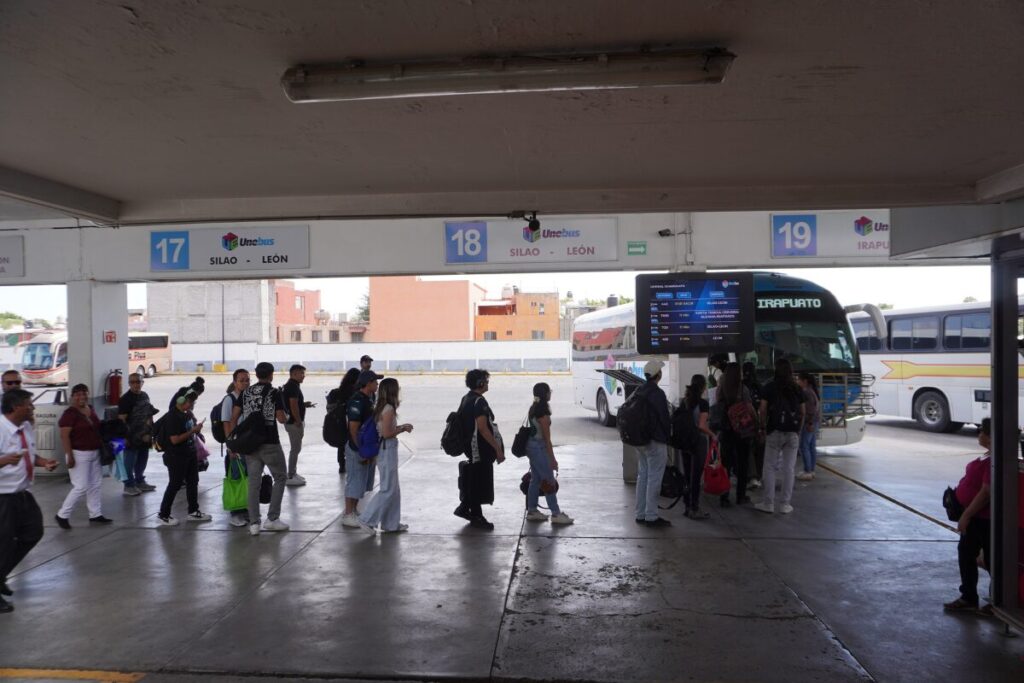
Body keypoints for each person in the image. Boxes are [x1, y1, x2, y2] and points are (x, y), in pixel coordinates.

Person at [0, 389, 58, 613]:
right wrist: (4, 460)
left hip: (23, 493)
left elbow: (28, 454)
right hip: (3, 497)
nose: (32, 407)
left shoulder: (25, 427)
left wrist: (43, 462)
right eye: (28, 404)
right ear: (15, 407)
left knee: (33, 532)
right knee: (4, 543)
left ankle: (1, 574)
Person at [943, 418, 993, 614]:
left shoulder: (995, 461)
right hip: (974, 517)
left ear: (991, 437)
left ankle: (999, 601)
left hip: (983, 518)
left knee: (992, 559)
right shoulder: (988, 456)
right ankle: (969, 596)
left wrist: (967, 515)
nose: (979, 434)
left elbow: (986, 492)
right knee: (966, 554)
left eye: (982, 432)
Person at [236, 362, 289, 536]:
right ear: (271, 375)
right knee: (280, 477)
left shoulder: (246, 393)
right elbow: (281, 418)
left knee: (253, 483)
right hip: (270, 442)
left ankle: (254, 524)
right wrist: (287, 416)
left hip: (250, 443)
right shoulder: (274, 392)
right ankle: (272, 519)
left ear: (256, 375)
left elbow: (235, 415)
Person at [357, 377, 412, 534]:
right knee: (388, 489)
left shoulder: (382, 407)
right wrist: (402, 429)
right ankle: (367, 519)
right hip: (387, 449)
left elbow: (384, 430)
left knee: (393, 488)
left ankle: (391, 523)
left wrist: (400, 427)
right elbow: (387, 433)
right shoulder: (388, 409)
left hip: (386, 449)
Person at [453, 369, 505, 530]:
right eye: (486, 381)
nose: (488, 383)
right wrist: (497, 449)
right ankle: (476, 515)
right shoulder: (479, 402)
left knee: (474, 479)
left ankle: (465, 508)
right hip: (480, 448)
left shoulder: (466, 398)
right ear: (480, 383)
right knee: (480, 481)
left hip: (470, 446)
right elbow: (483, 428)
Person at [55, 384, 112, 528]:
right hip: (78, 454)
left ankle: (95, 514)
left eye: (84, 393)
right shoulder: (69, 414)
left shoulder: (90, 409)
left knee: (95, 484)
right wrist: (69, 456)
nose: (82, 397)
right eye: (78, 394)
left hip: (94, 452)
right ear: (72, 397)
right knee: (80, 486)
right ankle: (62, 515)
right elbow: (64, 436)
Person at [756, 359, 805, 515]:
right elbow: (803, 412)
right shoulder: (797, 388)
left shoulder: (769, 387)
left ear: (775, 370)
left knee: (769, 467)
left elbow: (763, 410)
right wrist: (798, 430)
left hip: (774, 431)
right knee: (789, 469)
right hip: (792, 433)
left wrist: (762, 427)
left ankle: (768, 503)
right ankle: (785, 505)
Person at [157, 391, 212, 525]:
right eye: (190, 402)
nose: (192, 404)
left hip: (189, 453)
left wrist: (196, 429)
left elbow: (190, 431)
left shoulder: (187, 414)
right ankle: (164, 514)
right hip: (176, 455)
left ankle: (193, 511)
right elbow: (175, 440)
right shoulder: (172, 417)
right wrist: (192, 431)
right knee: (175, 484)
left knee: (193, 482)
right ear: (181, 401)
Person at [523, 382, 573, 525]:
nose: (550, 393)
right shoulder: (543, 414)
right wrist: (553, 460)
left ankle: (532, 510)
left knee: (536, 480)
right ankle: (556, 514)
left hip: (531, 446)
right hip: (539, 448)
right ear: (545, 394)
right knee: (549, 480)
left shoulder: (534, 408)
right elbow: (547, 440)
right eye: (549, 391)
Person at [341, 369, 383, 527]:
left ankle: (353, 510)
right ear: (368, 383)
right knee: (354, 481)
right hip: (357, 448)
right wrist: (360, 449)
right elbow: (353, 428)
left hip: (366, 447)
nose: (377, 384)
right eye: (375, 381)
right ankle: (348, 514)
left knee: (361, 482)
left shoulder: (369, 398)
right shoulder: (357, 400)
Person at [634, 360, 672, 528]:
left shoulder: (639, 390)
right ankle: (651, 516)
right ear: (658, 374)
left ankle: (640, 514)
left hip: (640, 441)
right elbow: (664, 418)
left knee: (643, 476)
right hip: (655, 441)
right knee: (654, 479)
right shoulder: (657, 393)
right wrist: (668, 437)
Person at [716, 362, 754, 505]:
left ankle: (724, 497)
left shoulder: (721, 389)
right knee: (743, 463)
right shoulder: (743, 389)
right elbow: (749, 408)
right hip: (741, 430)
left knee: (726, 464)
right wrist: (756, 423)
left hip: (726, 430)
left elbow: (717, 405)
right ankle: (740, 496)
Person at [679, 375, 716, 520]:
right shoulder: (703, 403)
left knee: (687, 475)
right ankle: (694, 508)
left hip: (684, 441)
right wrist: (713, 435)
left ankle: (687, 507)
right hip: (698, 442)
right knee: (695, 478)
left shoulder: (684, 401)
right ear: (703, 387)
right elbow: (701, 425)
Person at [117, 372, 159, 496]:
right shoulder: (125, 399)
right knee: (129, 462)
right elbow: (121, 420)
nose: (136, 384)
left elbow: (149, 414)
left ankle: (140, 481)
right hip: (131, 437)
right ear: (129, 384)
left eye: (138, 382)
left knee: (142, 460)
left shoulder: (145, 396)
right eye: (133, 382)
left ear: (142, 382)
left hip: (145, 436)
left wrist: (151, 431)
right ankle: (128, 485)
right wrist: (124, 438)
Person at [221, 369, 250, 527]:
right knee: (237, 478)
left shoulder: (249, 397)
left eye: (247, 380)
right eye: (241, 380)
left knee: (247, 478)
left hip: (248, 444)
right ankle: (235, 514)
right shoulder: (230, 399)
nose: (245, 383)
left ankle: (245, 510)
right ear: (234, 382)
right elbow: (226, 423)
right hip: (236, 445)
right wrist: (231, 447)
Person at [282, 364, 314, 486]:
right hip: (293, 423)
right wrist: (298, 420)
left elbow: (294, 403)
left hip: (292, 422)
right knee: (295, 449)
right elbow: (293, 405)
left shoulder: (291, 385)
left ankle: (293, 472)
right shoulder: (293, 386)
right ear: (294, 374)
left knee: (296, 448)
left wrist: (304, 405)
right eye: (301, 373)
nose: (303, 376)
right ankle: (290, 475)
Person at [327, 368, 360, 474]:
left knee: (342, 444)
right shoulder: (356, 393)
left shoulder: (337, 392)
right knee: (353, 442)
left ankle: (342, 465)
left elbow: (329, 409)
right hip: (353, 422)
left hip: (340, 422)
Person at [741, 362, 764, 490]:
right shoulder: (759, 385)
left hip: (743, 422)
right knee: (759, 448)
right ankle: (758, 476)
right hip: (757, 421)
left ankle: (750, 476)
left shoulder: (740, 386)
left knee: (748, 449)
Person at [796, 372, 820, 481]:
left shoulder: (806, 392)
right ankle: (811, 470)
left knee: (804, 446)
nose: (797, 382)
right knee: (811, 446)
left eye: (798, 379)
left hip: (809, 423)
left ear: (804, 381)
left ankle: (807, 471)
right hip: (814, 422)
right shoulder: (812, 391)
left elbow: (810, 410)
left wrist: (809, 423)